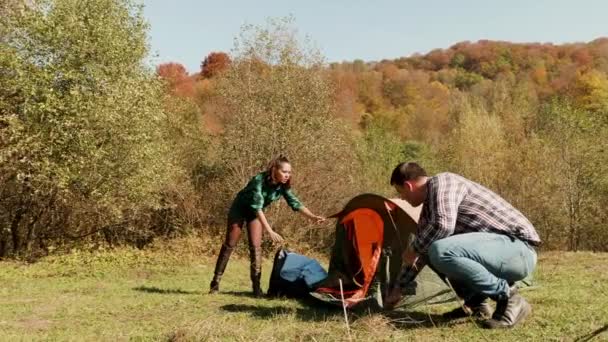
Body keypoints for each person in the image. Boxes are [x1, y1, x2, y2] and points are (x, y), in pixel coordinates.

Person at [386, 162, 541, 329]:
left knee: (439, 250)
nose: (401, 198)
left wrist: (413, 248)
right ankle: (477, 304)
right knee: (430, 250)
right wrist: (399, 289)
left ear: (408, 186)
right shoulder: (428, 211)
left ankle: (509, 297)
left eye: (400, 192)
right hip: (501, 254)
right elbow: (420, 252)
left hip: (518, 250)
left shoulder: (444, 182)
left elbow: (443, 226)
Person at [209, 155, 326, 297]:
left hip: (255, 214)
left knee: (256, 247)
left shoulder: (282, 186)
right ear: (275, 169)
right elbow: (257, 207)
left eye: (289, 172)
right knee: (230, 243)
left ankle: (256, 288)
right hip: (240, 209)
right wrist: (270, 230)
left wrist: (312, 217)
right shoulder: (258, 181)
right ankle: (215, 282)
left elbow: (295, 203)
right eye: (284, 172)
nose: (287, 175)